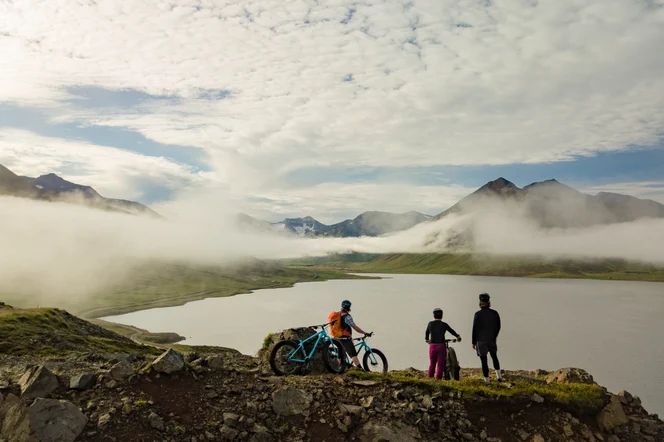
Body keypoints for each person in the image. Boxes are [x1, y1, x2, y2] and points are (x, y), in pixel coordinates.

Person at [472, 293, 502, 382]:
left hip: (480, 340)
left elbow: (475, 329)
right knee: (494, 356)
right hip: (491, 339)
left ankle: (487, 379)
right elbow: (498, 326)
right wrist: (494, 336)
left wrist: (473, 342)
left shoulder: (477, 314)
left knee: (483, 359)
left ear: (480, 302)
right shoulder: (495, 313)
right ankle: (499, 376)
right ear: (489, 302)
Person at [425, 308, 461, 380]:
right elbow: (451, 331)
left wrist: (427, 339)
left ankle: (430, 378)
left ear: (434, 315)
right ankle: (438, 379)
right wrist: (458, 336)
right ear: (442, 316)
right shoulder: (444, 324)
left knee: (432, 363)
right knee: (440, 364)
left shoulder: (430, 323)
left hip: (433, 346)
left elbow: (426, 332)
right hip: (441, 345)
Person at [337, 300, 371, 370]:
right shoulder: (347, 317)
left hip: (337, 338)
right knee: (353, 354)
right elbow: (356, 328)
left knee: (340, 355)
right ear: (349, 307)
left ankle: (337, 369)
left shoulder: (337, 314)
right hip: (345, 338)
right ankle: (361, 370)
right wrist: (365, 333)